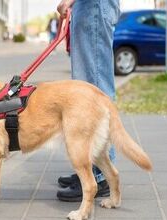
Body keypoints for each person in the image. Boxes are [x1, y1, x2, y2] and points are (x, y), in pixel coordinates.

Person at [56, 0, 120, 202]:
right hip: (90, 6)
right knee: (86, 89)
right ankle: (92, 169)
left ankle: (99, 176)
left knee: (94, 89)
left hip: (94, 5)